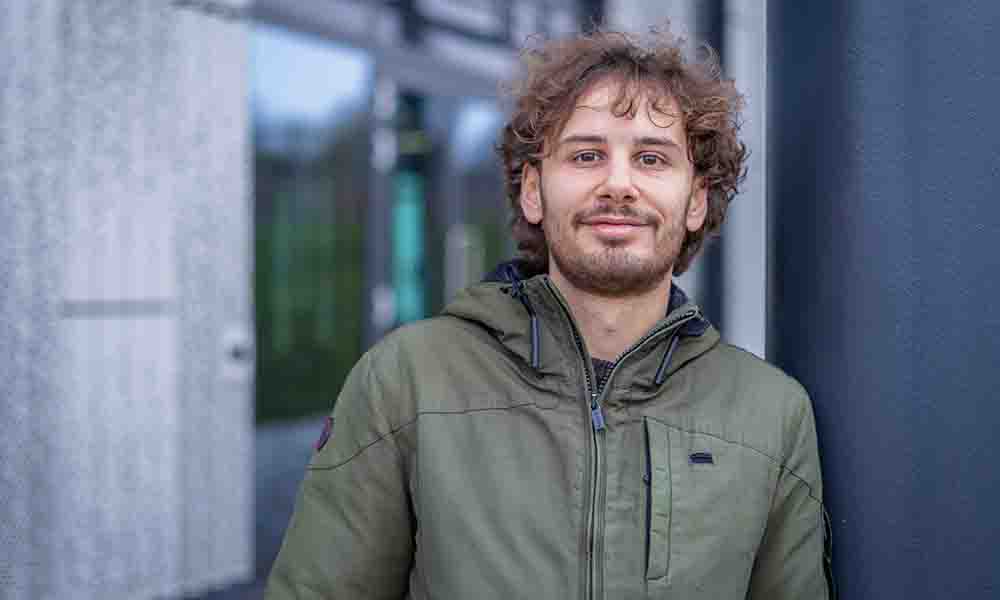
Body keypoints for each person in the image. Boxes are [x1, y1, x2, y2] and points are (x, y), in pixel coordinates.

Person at [265, 26, 832, 600]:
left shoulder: (771, 415)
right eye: (587, 155)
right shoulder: (407, 382)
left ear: (695, 202)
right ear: (533, 191)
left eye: (651, 158)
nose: (618, 183)